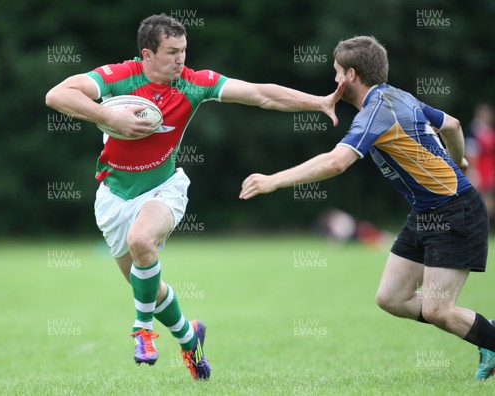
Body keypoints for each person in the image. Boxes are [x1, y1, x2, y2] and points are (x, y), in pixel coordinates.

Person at [45, 13, 342, 380]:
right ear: (147, 54)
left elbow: (261, 94)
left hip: (164, 189)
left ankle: (142, 331)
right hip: (113, 197)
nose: (181, 59)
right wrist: (107, 116)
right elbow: (56, 95)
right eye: (171, 52)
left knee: (142, 242)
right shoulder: (118, 77)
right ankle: (190, 339)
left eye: (184, 50)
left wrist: (319, 102)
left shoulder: (194, 83)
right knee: (148, 289)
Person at [239, 36, 494, 381]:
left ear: (351, 75)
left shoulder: (375, 111)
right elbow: (452, 124)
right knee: (392, 297)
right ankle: (484, 331)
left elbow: (336, 163)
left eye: (336, 73)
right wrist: (459, 158)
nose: (333, 81)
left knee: (437, 310)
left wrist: (274, 180)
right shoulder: (399, 96)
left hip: (454, 211)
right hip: (425, 213)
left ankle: (489, 339)